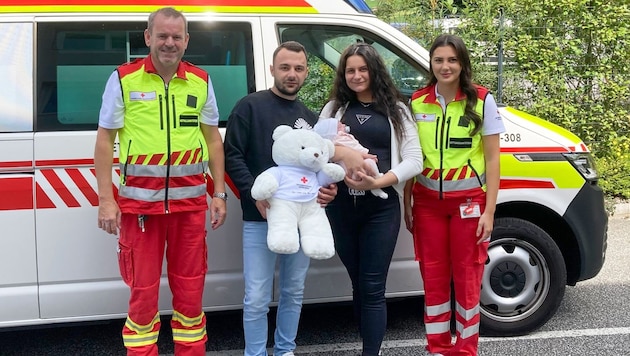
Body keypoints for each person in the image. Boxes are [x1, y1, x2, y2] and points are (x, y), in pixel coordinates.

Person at [94, 7, 226, 356]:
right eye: (162, 35)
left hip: (190, 209)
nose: (170, 43)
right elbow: (105, 139)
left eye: (176, 36)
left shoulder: (200, 80)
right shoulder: (124, 78)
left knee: (191, 296)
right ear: (148, 37)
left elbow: (213, 139)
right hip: (140, 210)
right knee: (142, 297)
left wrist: (220, 193)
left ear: (186, 40)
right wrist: (106, 200)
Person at [224, 41, 337, 356]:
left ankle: (286, 350)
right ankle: (256, 353)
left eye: (298, 68)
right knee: (257, 296)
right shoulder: (249, 107)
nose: (292, 74)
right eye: (285, 67)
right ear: (272, 69)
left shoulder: (309, 118)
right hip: (259, 219)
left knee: (293, 292)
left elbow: (318, 167)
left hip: (300, 221)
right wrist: (253, 194)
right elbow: (232, 156)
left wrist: (328, 188)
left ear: (306, 73)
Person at [404, 34, 505, 356]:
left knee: (466, 276)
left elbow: (492, 159)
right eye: (439, 60)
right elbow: (412, 156)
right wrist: (408, 199)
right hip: (427, 203)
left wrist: (489, 211)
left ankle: (465, 349)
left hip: (470, 204)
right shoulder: (417, 101)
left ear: (462, 64)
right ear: (430, 64)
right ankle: (437, 348)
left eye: (452, 60)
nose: (445, 66)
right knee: (433, 276)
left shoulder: (482, 100)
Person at [319, 42, 423, 356]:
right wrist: (339, 160)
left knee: (373, 287)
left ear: (374, 70)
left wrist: (378, 181)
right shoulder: (334, 108)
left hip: (380, 208)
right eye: (350, 70)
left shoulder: (396, 109)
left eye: (362, 69)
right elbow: (315, 151)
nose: (356, 75)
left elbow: (414, 160)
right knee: (358, 285)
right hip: (341, 209)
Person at [313, 118, 388, 199]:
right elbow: (351, 147)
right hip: (348, 172)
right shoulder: (339, 139)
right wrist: (360, 153)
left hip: (360, 162)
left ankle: (376, 181)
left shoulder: (345, 137)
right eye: (340, 126)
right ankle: (375, 181)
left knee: (370, 164)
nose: (344, 125)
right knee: (369, 164)